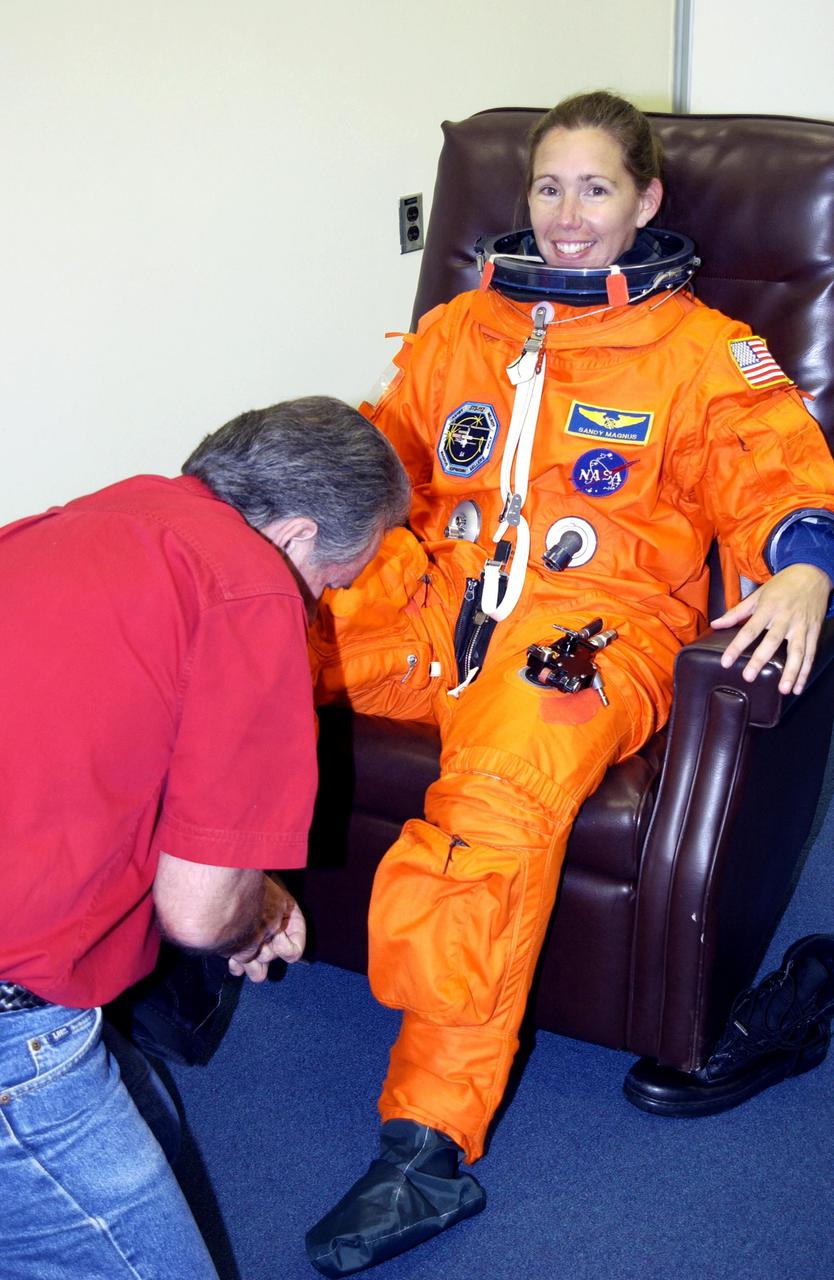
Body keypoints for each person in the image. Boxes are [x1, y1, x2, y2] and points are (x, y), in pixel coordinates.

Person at [304, 92, 834, 1276]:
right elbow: (379, 459)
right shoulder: (461, 327)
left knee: (495, 790)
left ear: (646, 201)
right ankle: (184, 938)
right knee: (248, 634)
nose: (568, 215)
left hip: (595, 632)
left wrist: (807, 567)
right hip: (444, 603)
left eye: (597, 188)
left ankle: (425, 1146)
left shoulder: (701, 350)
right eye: (549, 187)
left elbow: (776, 470)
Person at [0, 395, 409, 1280]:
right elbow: (198, 911)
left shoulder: (95, 515)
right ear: (298, 535)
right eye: (336, 581)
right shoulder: (252, 587)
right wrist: (252, 909)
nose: (324, 602)